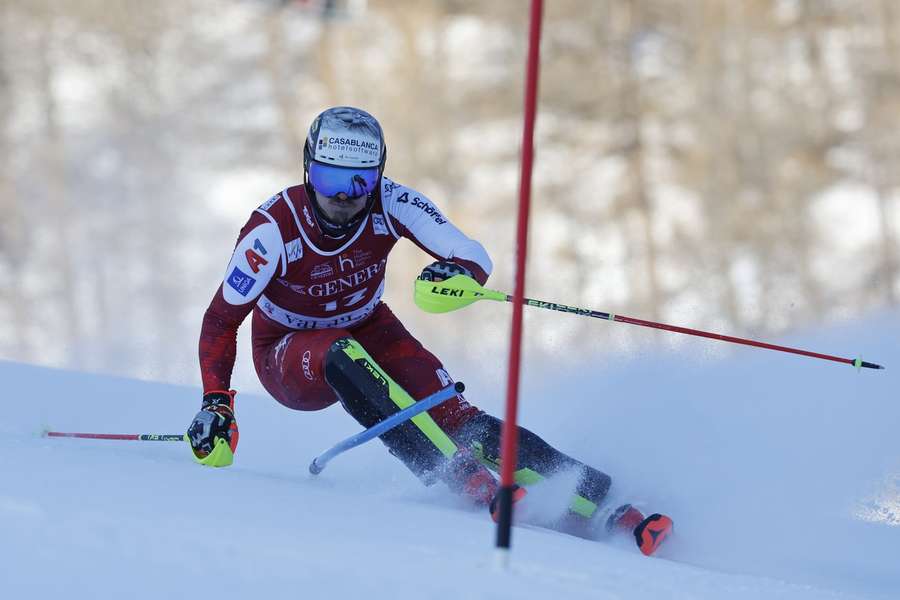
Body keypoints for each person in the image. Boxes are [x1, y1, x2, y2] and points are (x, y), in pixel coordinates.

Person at [187, 106, 671, 554]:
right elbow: (220, 321)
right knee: (342, 352)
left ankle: (611, 507)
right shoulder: (273, 228)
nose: (340, 195)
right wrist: (216, 403)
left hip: (366, 322)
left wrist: (459, 274)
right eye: (327, 176)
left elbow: (471, 253)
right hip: (288, 354)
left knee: (457, 415)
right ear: (307, 168)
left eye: (357, 183)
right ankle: (461, 476)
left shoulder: (391, 201)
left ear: (376, 178)